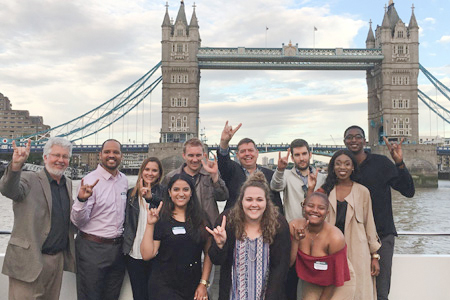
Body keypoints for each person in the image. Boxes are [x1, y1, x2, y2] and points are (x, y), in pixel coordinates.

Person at [343, 126, 415, 300]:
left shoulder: (381, 163)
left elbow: (408, 191)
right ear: (344, 141)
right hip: (352, 237)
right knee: (353, 289)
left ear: (364, 141)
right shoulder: (342, 167)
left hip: (382, 235)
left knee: (382, 291)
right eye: (349, 137)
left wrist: (399, 163)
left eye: (358, 137)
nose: (354, 140)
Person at [0, 137, 76, 300]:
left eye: (65, 157)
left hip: (56, 261)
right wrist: (16, 165)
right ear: (45, 157)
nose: (60, 160)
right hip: (28, 261)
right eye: (56, 155)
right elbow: (8, 190)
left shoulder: (68, 183)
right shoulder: (28, 179)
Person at [207, 172, 291, 300]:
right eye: (249, 199)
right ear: (241, 201)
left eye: (259, 200)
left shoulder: (279, 225)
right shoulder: (227, 222)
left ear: (267, 202)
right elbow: (217, 261)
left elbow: (281, 268)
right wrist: (220, 245)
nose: (254, 204)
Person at [318, 149, 381, 300]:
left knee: (359, 291)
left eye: (347, 164)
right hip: (331, 250)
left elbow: (369, 225)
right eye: (338, 164)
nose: (342, 167)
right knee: (331, 291)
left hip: (357, 249)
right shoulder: (325, 191)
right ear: (333, 167)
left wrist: (375, 256)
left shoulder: (363, 192)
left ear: (353, 167)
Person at [71, 139, 128, 300]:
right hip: (92, 248)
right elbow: (78, 222)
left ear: (121, 156)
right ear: (100, 155)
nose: (111, 155)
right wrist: (81, 200)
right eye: (107, 152)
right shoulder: (89, 181)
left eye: (116, 152)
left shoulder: (123, 180)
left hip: (117, 249)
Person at [140, 173, 212, 300]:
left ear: (191, 193)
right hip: (164, 285)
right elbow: (147, 255)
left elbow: (208, 253)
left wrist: (203, 283)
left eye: (185, 189)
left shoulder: (201, 219)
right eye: (176, 189)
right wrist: (150, 224)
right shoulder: (162, 217)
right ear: (169, 192)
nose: (181, 194)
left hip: (192, 284)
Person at [271, 138, 327, 299]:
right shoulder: (287, 175)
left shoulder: (321, 177)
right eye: (297, 155)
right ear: (293, 158)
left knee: (314, 278)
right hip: (292, 233)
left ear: (310, 154)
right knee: (291, 278)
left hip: (316, 235)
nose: (301, 158)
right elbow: (275, 187)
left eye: (304, 154)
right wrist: (280, 170)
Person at [289, 192, 353, 300]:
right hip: (312, 277)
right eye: (310, 206)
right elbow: (289, 264)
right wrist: (295, 241)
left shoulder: (335, 237)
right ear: (304, 207)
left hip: (337, 280)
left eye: (321, 208)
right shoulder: (294, 226)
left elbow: (335, 276)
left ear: (327, 212)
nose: (315, 210)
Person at [123, 157, 165, 300]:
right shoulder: (131, 194)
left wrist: (150, 197)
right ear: (142, 171)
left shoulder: (164, 192)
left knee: (155, 294)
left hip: (156, 253)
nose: (150, 173)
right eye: (147, 169)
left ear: (159, 174)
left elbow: (167, 208)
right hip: (133, 252)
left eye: (154, 170)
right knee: (139, 295)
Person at [217, 121, 283, 212]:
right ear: (237, 155)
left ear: (257, 153)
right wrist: (224, 142)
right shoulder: (231, 171)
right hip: (236, 221)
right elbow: (223, 161)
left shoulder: (270, 175)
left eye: (250, 150)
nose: (247, 154)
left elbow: (277, 205)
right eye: (243, 151)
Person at [163, 137, 228, 227]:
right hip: (181, 228)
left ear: (204, 155)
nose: (195, 160)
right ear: (184, 155)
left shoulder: (210, 174)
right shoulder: (170, 177)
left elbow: (223, 197)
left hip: (208, 229)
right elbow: (165, 204)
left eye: (198, 155)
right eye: (191, 155)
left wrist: (215, 177)